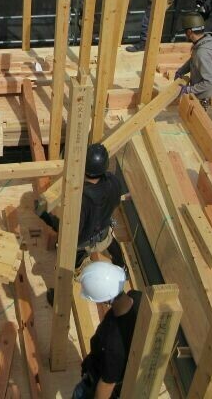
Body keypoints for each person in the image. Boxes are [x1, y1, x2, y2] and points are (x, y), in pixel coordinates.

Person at [36, 144, 126, 305]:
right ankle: (122, 266)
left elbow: (68, 232)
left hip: (82, 243)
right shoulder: (113, 181)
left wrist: (44, 215)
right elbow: (115, 202)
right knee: (111, 243)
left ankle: (58, 297)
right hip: (104, 233)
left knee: (66, 268)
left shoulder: (80, 200)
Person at [72, 262, 142, 399]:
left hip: (95, 382)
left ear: (105, 300)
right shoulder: (137, 297)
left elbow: (106, 385)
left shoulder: (114, 344)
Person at [175, 12, 212, 107]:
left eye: (185, 32)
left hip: (205, 97)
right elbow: (193, 59)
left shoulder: (202, 53)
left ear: (189, 32)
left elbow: (211, 82)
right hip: (207, 91)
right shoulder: (204, 42)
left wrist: (188, 89)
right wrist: (181, 71)